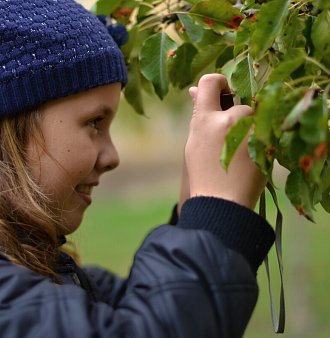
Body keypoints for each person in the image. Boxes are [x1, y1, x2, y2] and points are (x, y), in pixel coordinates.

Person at [0, 0, 275, 337]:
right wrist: (218, 211)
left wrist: (198, 211)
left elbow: (135, 312)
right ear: (10, 128)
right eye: (95, 122)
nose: (112, 156)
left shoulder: (44, 273)